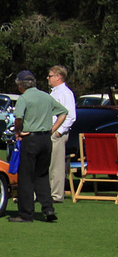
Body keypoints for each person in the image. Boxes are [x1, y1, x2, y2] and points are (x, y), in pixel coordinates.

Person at [10, 69, 66, 223]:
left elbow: (19, 118)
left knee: (26, 177)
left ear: (21, 85)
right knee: (42, 175)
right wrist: (52, 130)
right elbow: (63, 112)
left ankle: (26, 214)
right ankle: (48, 208)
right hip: (45, 140)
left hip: (31, 139)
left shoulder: (24, 98)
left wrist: (18, 132)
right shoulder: (46, 96)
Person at [47, 65, 77, 203]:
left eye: (50, 75)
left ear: (58, 77)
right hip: (49, 131)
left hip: (57, 133)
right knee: (48, 163)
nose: (48, 78)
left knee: (57, 165)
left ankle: (56, 195)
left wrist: (59, 132)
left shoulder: (65, 93)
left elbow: (70, 116)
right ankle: (46, 192)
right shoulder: (54, 92)